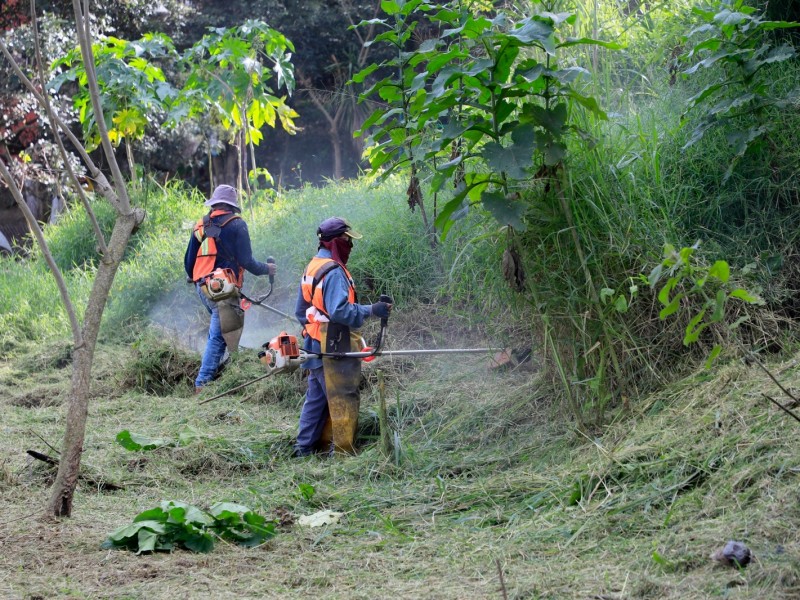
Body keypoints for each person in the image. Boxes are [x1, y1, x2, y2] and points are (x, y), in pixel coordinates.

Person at [294, 217, 392, 456]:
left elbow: (300, 312)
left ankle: (303, 449)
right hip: (333, 346)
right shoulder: (334, 272)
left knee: (315, 401)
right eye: (348, 240)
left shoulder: (313, 266)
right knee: (342, 401)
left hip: (314, 346)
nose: (350, 245)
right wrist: (371, 310)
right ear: (337, 242)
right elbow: (339, 311)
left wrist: (315, 331)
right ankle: (341, 453)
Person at [184, 184, 276, 393]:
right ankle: (203, 384)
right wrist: (267, 269)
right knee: (219, 335)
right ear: (232, 206)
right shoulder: (237, 225)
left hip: (203, 288)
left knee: (222, 332)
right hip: (223, 291)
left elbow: (189, 260)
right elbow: (247, 260)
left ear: (215, 204)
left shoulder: (202, 225)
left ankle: (218, 370)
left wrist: (194, 277)